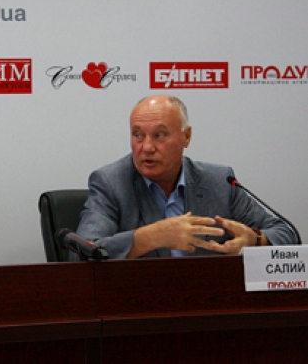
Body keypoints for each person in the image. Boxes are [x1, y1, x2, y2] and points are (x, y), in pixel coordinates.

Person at [76, 95, 299, 260]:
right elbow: (82, 252)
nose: (147, 147)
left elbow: (287, 234)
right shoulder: (111, 182)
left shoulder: (219, 181)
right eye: (138, 135)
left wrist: (255, 239)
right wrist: (151, 237)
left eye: (159, 135)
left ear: (186, 136)